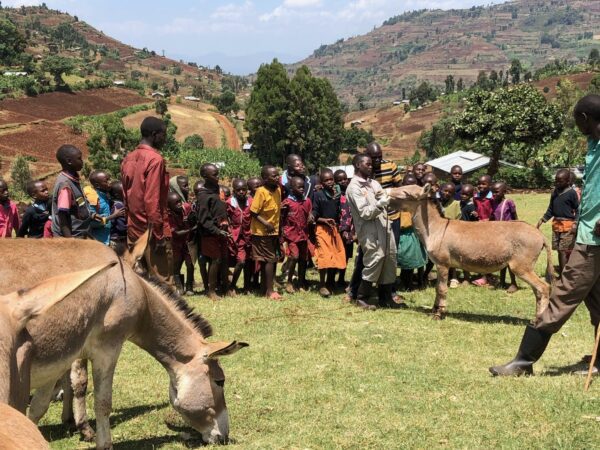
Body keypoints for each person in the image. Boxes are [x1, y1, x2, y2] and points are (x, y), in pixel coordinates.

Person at [489, 94, 600, 377]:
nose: (576, 126)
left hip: (594, 243)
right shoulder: (594, 144)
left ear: (585, 119)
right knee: (597, 300)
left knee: (563, 295)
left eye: (577, 120)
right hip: (587, 234)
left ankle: (523, 362)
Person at [121, 117, 173, 285]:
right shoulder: (155, 159)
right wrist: (158, 234)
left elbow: (125, 196)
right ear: (154, 134)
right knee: (163, 283)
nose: (165, 138)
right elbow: (152, 199)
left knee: (138, 281)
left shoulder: (128, 158)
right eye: (163, 134)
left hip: (133, 228)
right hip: (151, 231)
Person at [346, 154, 400, 310]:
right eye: (367, 164)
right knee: (375, 260)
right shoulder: (354, 187)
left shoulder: (373, 183)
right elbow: (365, 212)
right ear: (357, 165)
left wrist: (385, 199)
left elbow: (382, 195)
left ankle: (385, 298)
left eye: (371, 164)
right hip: (369, 230)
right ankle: (362, 298)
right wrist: (380, 204)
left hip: (384, 225)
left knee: (389, 258)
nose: (371, 166)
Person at [365, 142, 404, 303]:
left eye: (379, 157)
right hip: (371, 217)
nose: (377, 161)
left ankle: (390, 290)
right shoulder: (364, 170)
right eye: (374, 158)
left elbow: (398, 188)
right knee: (369, 254)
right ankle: (362, 289)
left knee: (391, 255)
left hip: (392, 216)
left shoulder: (391, 166)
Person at [196, 163, 230, 299]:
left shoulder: (217, 189)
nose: (218, 176)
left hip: (221, 231)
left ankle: (224, 287)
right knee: (215, 260)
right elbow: (203, 219)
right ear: (205, 176)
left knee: (222, 259)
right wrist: (216, 230)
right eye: (214, 174)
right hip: (210, 233)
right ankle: (211, 291)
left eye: (217, 173)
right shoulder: (203, 195)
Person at [537, 169, 579, 274]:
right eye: (556, 180)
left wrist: (575, 223)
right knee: (558, 249)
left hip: (568, 225)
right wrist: (543, 219)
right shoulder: (555, 192)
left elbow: (578, 209)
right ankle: (563, 270)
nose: (557, 183)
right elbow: (551, 209)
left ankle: (563, 274)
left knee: (563, 250)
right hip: (556, 225)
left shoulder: (572, 193)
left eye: (560, 181)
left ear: (568, 181)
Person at [312, 169, 346, 297]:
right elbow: (315, 213)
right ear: (321, 182)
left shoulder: (337, 193)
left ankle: (330, 283)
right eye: (326, 180)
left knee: (335, 256)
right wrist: (323, 219)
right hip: (322, 229)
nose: (329, 182)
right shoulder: (318, 194)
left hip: (334, 229)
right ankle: (322, 285)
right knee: (324, 257)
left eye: (331, 179)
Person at [250, 166, 282, 300]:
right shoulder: (261, 192)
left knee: (268, 260)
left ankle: (264, 288)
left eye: (277, 175)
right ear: (264, 179)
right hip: (262, 231)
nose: (276, 178)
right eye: (273, 176)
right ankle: (270, 291)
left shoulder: (278, 190)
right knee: (269, 259)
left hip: (274, 231)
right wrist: (266, 223)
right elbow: (253, 212)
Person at [51, 145, 92, 238]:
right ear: (69, 161)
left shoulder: (73, 179)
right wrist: (70, 241)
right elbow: (63, 215)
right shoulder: (65, 185)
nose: (82, 161)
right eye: (79, 159)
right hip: (73, 237)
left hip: (80, 234)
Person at [280, 176, 312, 293]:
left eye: (303, 187)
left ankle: (301, 281)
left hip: (303, 234)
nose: (302, 189)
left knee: (304, 259)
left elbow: (309, 213)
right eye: (299, 187)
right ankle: (289, 281)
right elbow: (281, 218)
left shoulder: (307, 201)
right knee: (294, 256)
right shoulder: (287, 202)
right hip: (292, 234)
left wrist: (311, 217)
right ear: (292, 189)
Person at [397, 174, 428, 291]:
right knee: (403, 259)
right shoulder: (398, 198)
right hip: (401, 232)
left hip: (413, 233)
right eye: (407, 184)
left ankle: (413, 282)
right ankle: (404, 282)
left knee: (412, 259)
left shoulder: (418, 200)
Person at [492, 181, 519, 293]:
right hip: (498, 234)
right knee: (501, 259)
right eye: (492, 192)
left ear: (504, 192)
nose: (494, 194)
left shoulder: (508, 202)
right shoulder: (493, 203)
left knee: (509, 260)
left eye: (497, 192)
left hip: (508, 234)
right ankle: (502, 281)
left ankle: (513, 283)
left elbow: (515, 217)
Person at [227, 178, 253, 293]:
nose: (241, 192)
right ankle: (232, 286)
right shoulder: (229, 203)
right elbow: (225, 217)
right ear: (234, 190)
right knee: (241, 261)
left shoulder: (251, 202)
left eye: (244, 189)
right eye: (238, 190)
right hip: (236, 237)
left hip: (250, 236)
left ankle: (247, 287)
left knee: (249, 263)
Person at [84, 170, 124, 245]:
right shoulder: (93, 199)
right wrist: (113, 216)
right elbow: (91, 222)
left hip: (108, 238)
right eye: (107, 181)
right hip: (99, 240)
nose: (110, 183)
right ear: (97, 185)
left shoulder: (106, 196)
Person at [170, 175, 194, 294]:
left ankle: (189, 287)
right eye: (185, 186)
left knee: (190, 264)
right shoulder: (170, 210)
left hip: (187, 242)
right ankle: (180, 288)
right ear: (176, 188)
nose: (188, 188)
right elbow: (175, 232)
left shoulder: (187, 207)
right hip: (176, 243)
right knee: (177, 265)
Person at [439, 182, 462, 288]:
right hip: (438, 232)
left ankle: (454, 277)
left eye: (450, 192)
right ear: (440, 189)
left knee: (453, 255)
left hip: (452, 232)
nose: (447, 193)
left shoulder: (456, 204)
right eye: (445, 190)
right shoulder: (436, 202)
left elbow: (458, 219)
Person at [334, 169, 355, 288]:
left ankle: (341, 279)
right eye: (339, 180)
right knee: (338, 254)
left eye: (345, 179)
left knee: (346, 256)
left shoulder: (351, 193)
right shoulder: (335, 195)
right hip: (338, 229)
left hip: (350, 230)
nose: (343, 181)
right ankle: (331, 279)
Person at [191, 180, 208, 293]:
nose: (199, 195)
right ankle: (206, 286)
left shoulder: (211, 203)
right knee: (201, 262)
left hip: (210, 236)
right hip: (198, 238)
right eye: (197, 193)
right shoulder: (193, 205)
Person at [109, 181, 127, 248]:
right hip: (117, 238)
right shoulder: (118, 206)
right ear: (117, 195)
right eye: (124, 191)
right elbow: (113, 222)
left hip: (119, 237)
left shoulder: (118, 204)